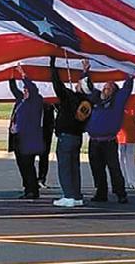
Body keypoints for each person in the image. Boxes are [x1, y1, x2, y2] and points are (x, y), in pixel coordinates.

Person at [84, 64, 133, 204]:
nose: (106, 89)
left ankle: (120, 193)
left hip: (109, 141)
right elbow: (87, 87)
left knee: (114, 168)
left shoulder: (117, 102)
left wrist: (129, 74)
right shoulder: (96, 98)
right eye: (105, 87)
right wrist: (85, 71)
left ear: (115, 92)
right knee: (97, 168)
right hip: (94, 141)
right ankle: (101, 193)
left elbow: (127, 89)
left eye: (110, 88)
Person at [49, 56, 92, 208]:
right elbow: (85, 86)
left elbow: (57, 84)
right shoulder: (87, 102)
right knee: (74, 167)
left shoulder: (70, 98)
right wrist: (85, 71)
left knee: (65, 167)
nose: (77, 84)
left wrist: (52, 66)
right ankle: (76, 195)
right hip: (77, 137)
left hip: (66, 137)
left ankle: (68, 196)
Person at [8, 65, 45, 199]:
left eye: (26, 90)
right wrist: (11, 76)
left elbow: (32, 88)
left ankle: (33, 190)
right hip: (19, 138)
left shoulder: (36, 101)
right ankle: (27, 188)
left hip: (29, 139)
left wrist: (23, 74)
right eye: (24, 90)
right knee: (22, 165)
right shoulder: (21, 100)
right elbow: (14, 89)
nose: (25, 91)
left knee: (28, 165)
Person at [117, 103, 135, 191]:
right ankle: (121, 181)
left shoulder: (131, 104)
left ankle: (132, 181)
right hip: (118, 136)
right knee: (119, 159)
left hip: (131, 136)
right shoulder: (116, 105)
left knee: (131, 160)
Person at [37, 102, 55, 189]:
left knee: (44, 155)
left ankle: (41, 179)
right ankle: (32, 180)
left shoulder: (49, 103)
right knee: (29, 156)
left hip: (46, 129)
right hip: (35, 129)